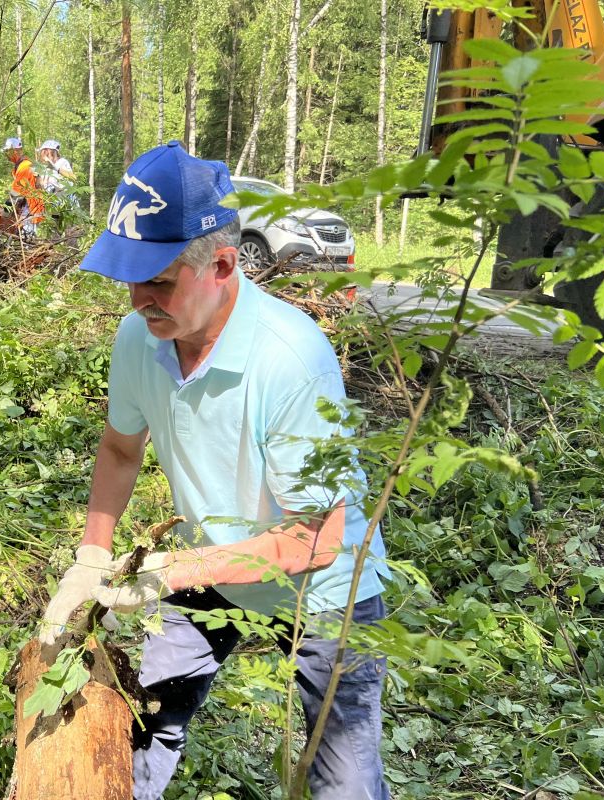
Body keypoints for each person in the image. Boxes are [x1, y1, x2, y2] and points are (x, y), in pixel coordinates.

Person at [39, 141, 392, 800]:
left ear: (222, 265)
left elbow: (317, 537)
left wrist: (171, 571)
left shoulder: (290, 359)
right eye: (130, 277)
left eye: (159, 280)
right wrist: (93, 552)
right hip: (217, 566)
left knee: (344, 782)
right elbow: (120, 449)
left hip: (323, 592)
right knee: (141, 720)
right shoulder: (139, 339)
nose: (138, 299)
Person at [4, 136, 43, 237]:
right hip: (28, 208)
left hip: (31, 209)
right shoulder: (20, 166)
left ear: (15, 151)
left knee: (27, 240)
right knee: (24, 238)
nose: (6, 155)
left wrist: (5, 209)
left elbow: (16, 193)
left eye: (8, 151)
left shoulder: (24, 166)